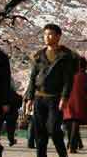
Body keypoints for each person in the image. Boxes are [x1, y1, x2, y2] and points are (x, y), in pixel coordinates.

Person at [25, 23, 76, 157]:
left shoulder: (65, 56)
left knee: (53, 129)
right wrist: (30, 98)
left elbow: (68, 80)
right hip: (39, 97)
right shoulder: (38, 55)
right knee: (39, 132)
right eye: (45, 34)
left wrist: (64, 98)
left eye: (50, 34)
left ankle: (62, 154)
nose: (47, 37)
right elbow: (32, 78)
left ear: (58, 36)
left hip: (55, 98)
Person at [63, 56, 87, 153]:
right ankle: (73, 146)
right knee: (75, 122)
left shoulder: (68, 74)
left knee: (70, 122)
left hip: (67, 99)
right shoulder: (86, 76)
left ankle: (71, 143)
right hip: (79, 100)